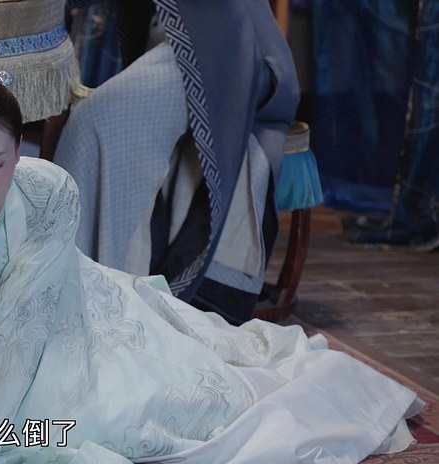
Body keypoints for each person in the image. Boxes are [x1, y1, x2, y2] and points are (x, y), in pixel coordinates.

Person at [0, 21, 423, 464]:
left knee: (113, 421)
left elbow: (22, 322)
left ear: (19, 148)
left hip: (67, 327)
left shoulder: (49, 193)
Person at [53, 0, 301, 324]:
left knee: (99, 122)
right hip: (171, 28)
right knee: (95, 121)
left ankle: (105, 293)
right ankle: (77, 282)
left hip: (222, 37)